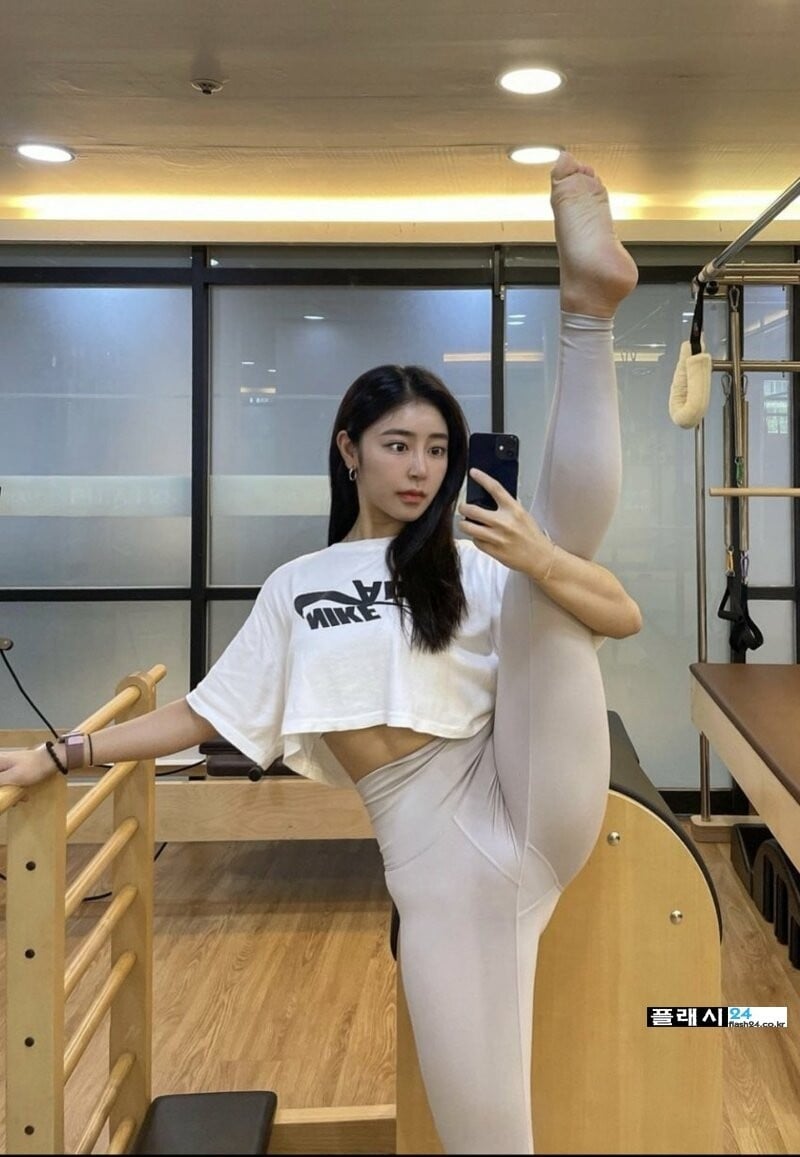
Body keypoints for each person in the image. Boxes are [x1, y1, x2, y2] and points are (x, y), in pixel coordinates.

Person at [0, 152, 640, 1154]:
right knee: (487, 1137)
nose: (420, 467)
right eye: (397, 443)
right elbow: (205, 712)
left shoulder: (471, 555)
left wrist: (537, 560)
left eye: (437, 448)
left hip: (519, 779)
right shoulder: (297, 583)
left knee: (552, 562)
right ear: (349, 448)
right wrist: (64, 751)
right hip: (433, 853)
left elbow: (617, 614)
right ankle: (587, 313)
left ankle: (586, 311)